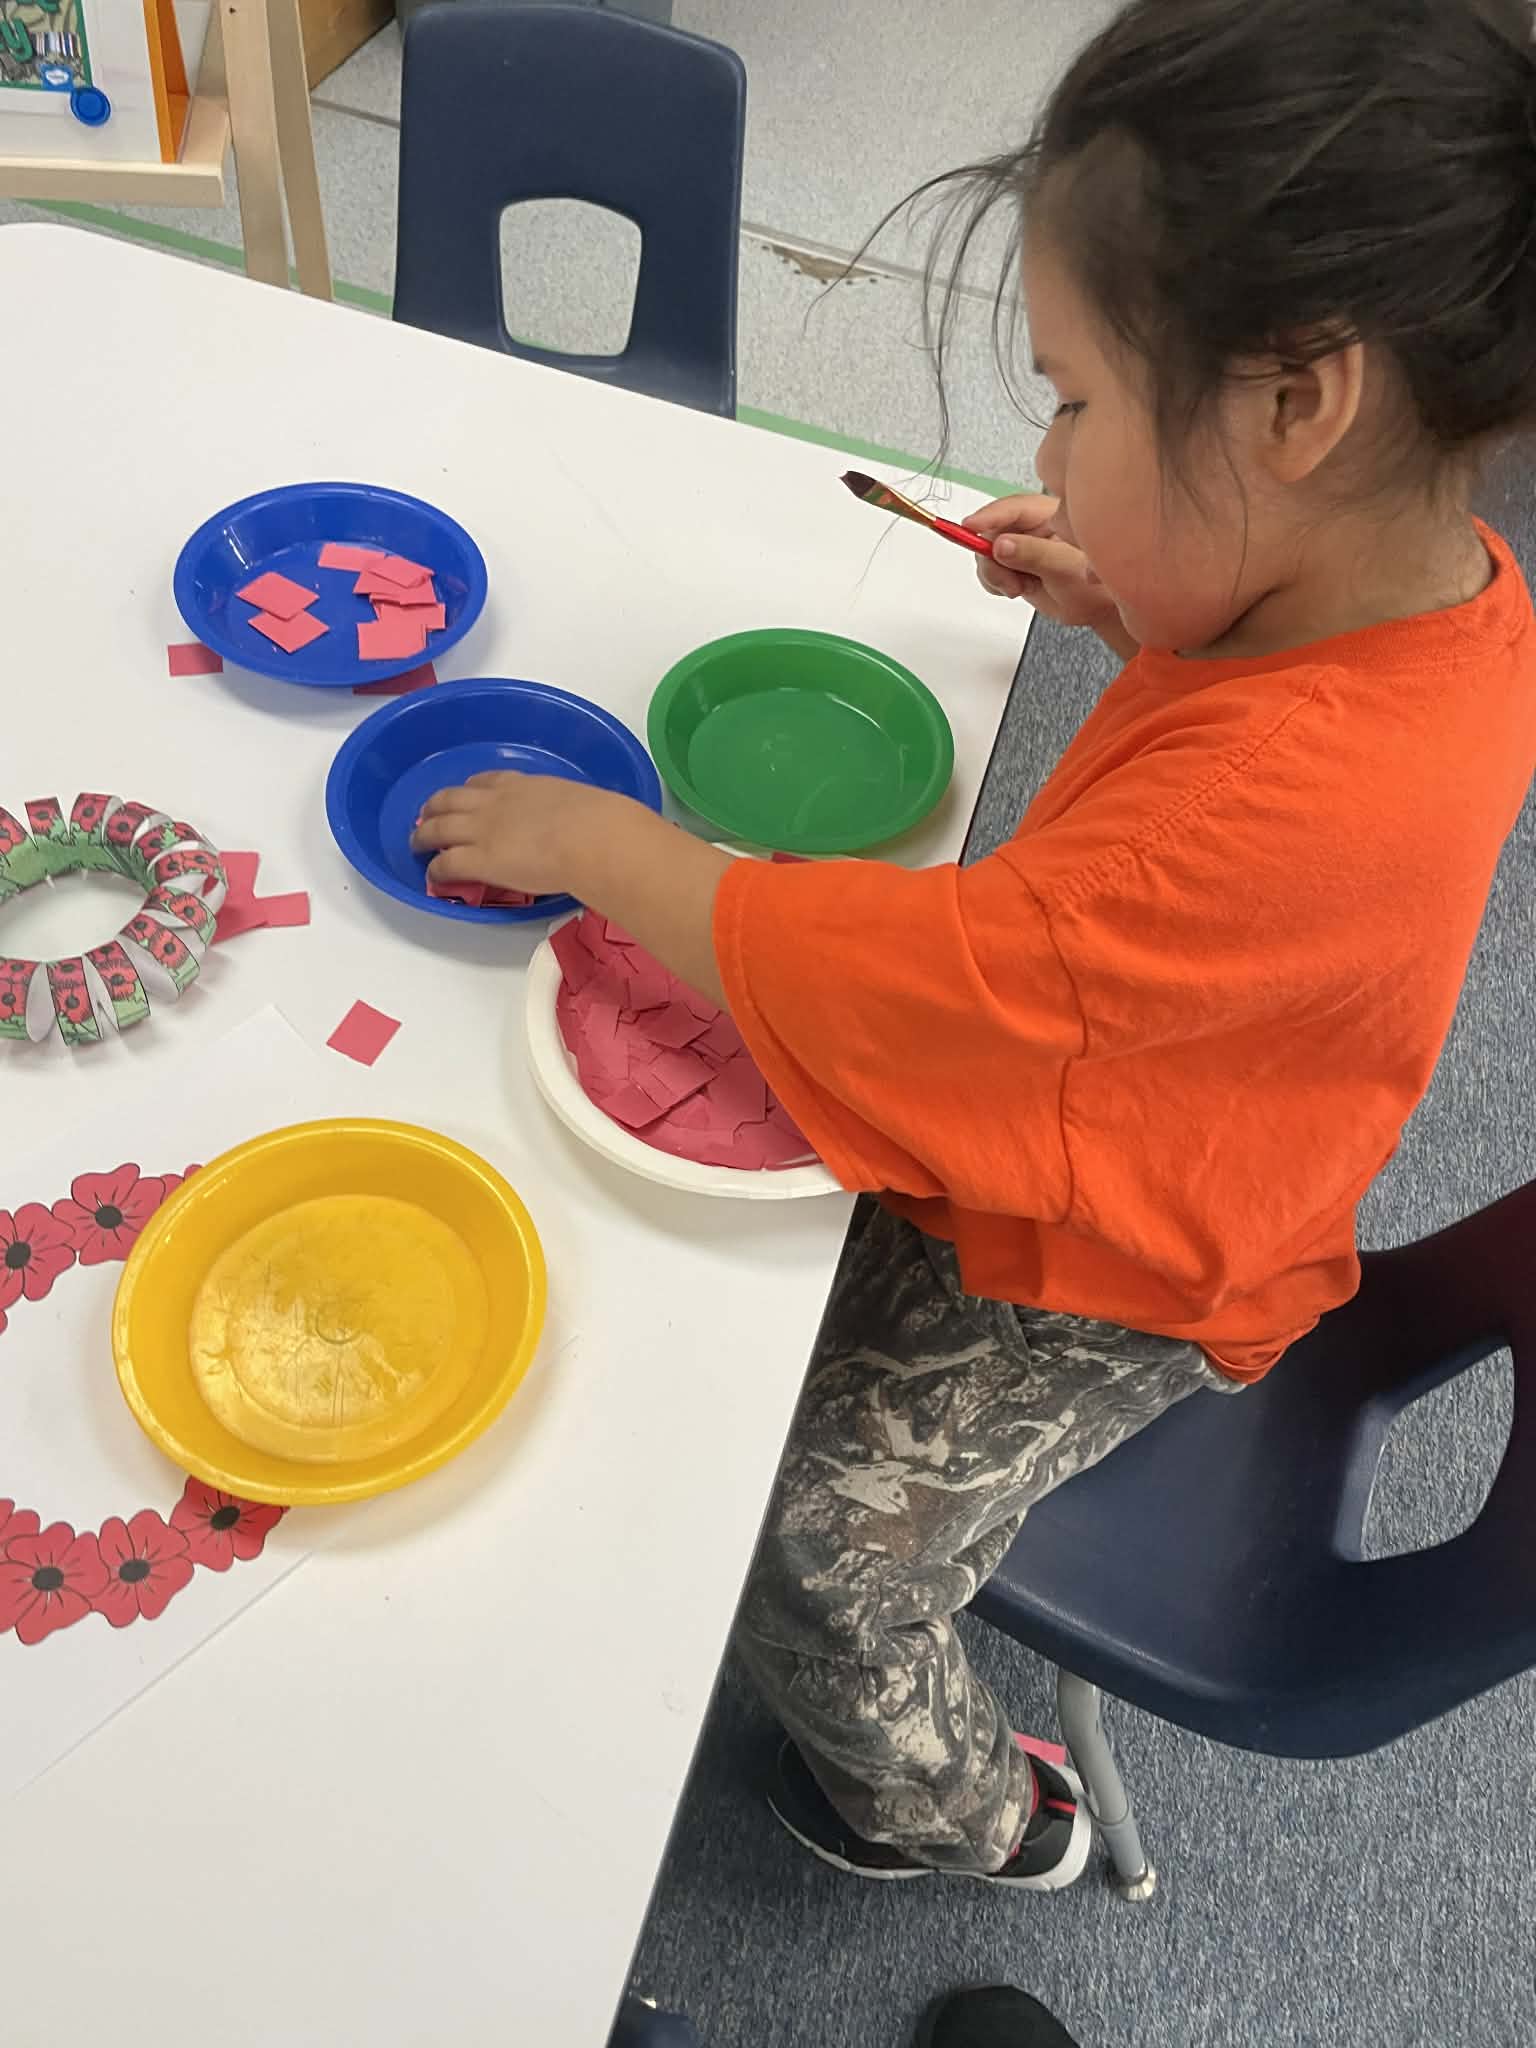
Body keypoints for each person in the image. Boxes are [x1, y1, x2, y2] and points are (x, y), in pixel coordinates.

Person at [415, 0, 1536, 1885]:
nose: (1052, 440)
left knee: (805, 1545)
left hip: (1154, 1260)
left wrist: (609, 846)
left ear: (1296, 406)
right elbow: (1250, 746)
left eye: (1082, 400)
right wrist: (1136, 600)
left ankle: (975, 1817)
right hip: (1164, 1086)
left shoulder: (1264, 830)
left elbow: (935, 985)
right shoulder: (1445, 586)